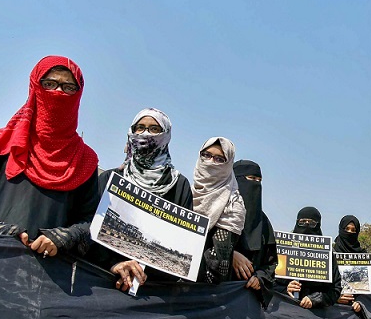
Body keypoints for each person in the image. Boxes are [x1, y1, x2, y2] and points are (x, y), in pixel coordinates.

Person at [0, 56, 99, 257]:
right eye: (50, 84)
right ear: (35, 87)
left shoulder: (84, 161)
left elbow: (91, 223)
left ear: (78, 95)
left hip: (44, 280)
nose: (58, 92)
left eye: (68, 87)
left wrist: (63, 237)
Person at [88, 107, 193, 291]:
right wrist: (114, 265)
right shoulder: (110, 179)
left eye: (154, 129)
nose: (145, 134)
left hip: (153, 292)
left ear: (166, 135)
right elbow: (88, 230)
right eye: (140, 128)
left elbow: (181, 249)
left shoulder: (179, 186)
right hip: (102, 282)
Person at [192, 137, 246, 284]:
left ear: (228, 164)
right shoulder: (185, 191)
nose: (211, 162)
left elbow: (218, 261)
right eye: (207, 155)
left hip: (205, 288)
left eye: (219, 159)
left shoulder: (232, 205)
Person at [232, 160, 278, 300]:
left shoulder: (262, 222)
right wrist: (230, 255)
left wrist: (260, 278)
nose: (256, 184)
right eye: (251, 179)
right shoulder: (220, 211)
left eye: (259, 180)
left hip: (247, 301)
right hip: (216, 294)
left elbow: (270, 264)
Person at [283, 207, 342, 309]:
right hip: (287, 311)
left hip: (316, 316)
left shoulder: (328, 254)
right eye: (302, 222)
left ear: (318, 225)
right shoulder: (284, 250)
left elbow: (335, 289)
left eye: (311, 223)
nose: (306, 225)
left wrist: (316, 299)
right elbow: (271, 282)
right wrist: (285, 289)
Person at [333, 215, 367, 316]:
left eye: (353, 230)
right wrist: (335, 296)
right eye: (347, 229)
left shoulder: (363, 256)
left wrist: (361, 302)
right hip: (333, 311)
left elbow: (369, 287)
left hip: (355, 314)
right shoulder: (331, 254)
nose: (350, 233)